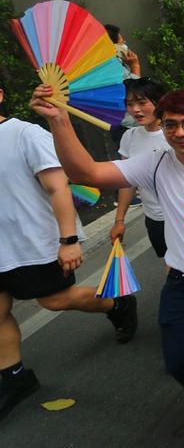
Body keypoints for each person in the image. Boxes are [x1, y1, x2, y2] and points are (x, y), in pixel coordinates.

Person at [31, 88, 184, 447]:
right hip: (182, 282)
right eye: (170, 125)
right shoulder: (156, 163)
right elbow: (85, 172)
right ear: (161, 128)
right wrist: (59, 120)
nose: (180, 133)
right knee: (180, 361)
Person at [0, 83, 138, 422]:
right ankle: (14, 377)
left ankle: (117, 304)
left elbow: (57, 186)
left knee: (54, 300)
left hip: (33, 242)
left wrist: (69, 239)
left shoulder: (24, 134)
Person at [110, 78, 170, 258]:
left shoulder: (175, 133)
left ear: (159, 101)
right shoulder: (129, 137)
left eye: (142, 102)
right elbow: (127, 181)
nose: (135, 109)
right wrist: (119, 221)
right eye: (130, 104)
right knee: (169, 265)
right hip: (154, 218)